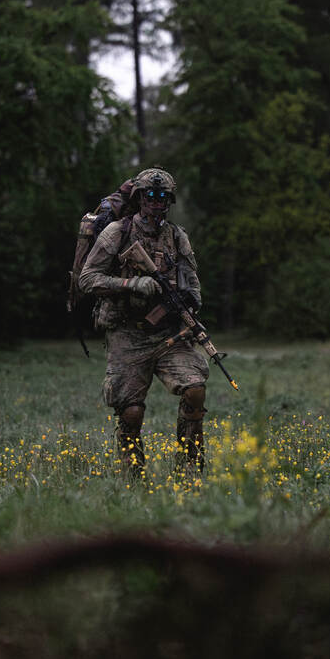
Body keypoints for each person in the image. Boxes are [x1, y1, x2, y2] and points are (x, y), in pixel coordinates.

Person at [77, 166, 209, 476]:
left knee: (195, 389)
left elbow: (192, 281)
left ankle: (190, 464)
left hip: (168, 333)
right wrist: (131, 285)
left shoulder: (177, 236)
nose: (156, 201)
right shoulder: (117, 233)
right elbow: (87, 279)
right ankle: (131, 467)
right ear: (139, 198)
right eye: (150, 195)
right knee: (131, 410)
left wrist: (188, 302)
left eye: (163, 196)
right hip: (127, 332)